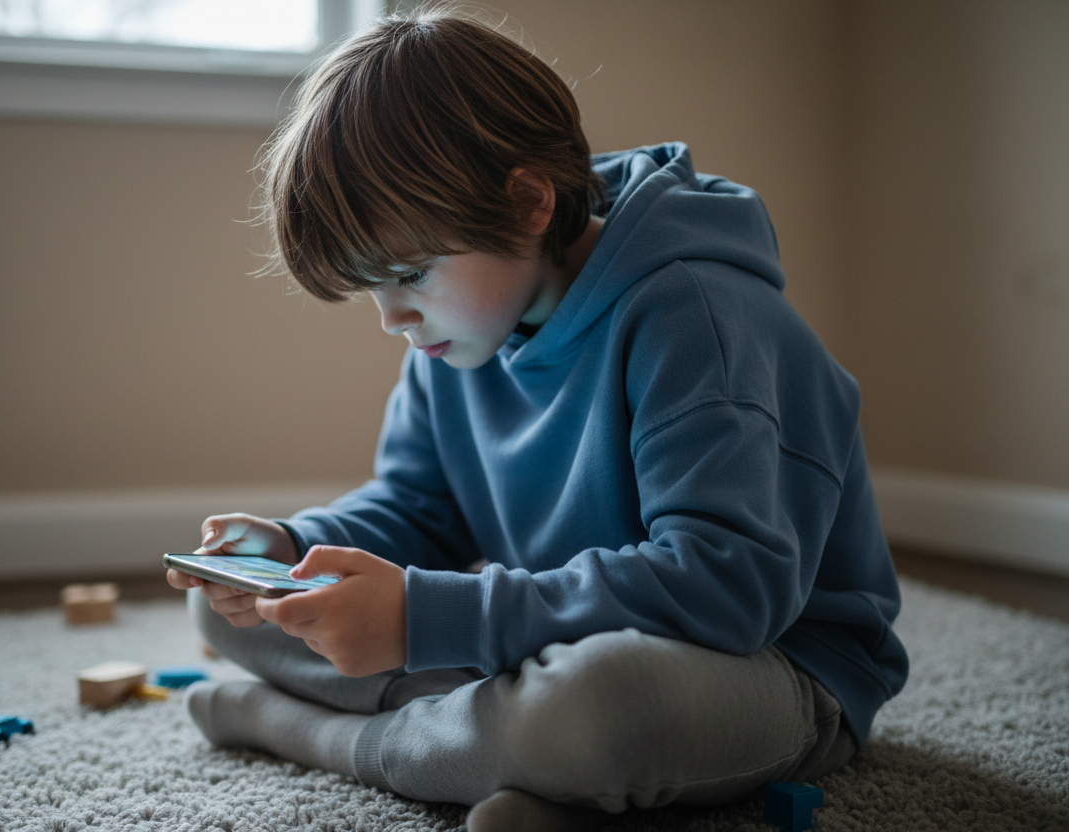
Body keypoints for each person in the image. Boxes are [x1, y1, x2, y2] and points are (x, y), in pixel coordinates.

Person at [165, 8, 908, 831]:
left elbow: (728, 588)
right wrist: (291, 548)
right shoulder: (458, 337)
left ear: (526, 203)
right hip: (573, 636)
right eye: (372, 290)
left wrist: (423, 620)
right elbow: (418, 510)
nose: (393, 320)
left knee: (595, 709)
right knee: (244, 606)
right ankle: (518, 764)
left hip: (778, 667)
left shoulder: (696, 313)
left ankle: (318, 735)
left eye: (408, 273)